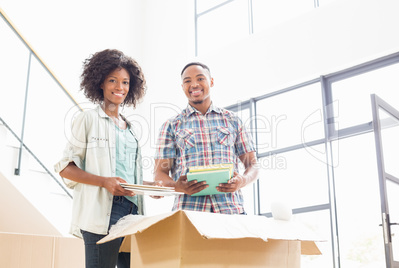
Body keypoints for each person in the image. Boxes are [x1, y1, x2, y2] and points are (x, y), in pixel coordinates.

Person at [54, 49, 157, 268]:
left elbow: (127, 176)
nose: (120, 87)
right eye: (113, 80)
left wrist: (150, 187)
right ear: (100, 83)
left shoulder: (131, 129)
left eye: (125, 82)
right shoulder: (87, 119)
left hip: (133, 211)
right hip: (103, 212)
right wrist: (105, 182)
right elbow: (65, 168)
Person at [154, 62, 259, 214]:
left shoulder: (233, 120)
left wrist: (242, 181)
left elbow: (253, 164)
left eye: (200, 78)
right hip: (189, 213)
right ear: (182, 87)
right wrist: (177, 186)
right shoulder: (171, 125)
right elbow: (160, 173)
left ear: (211, 81)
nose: (194, 85)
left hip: (231, 210)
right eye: (187, 81)